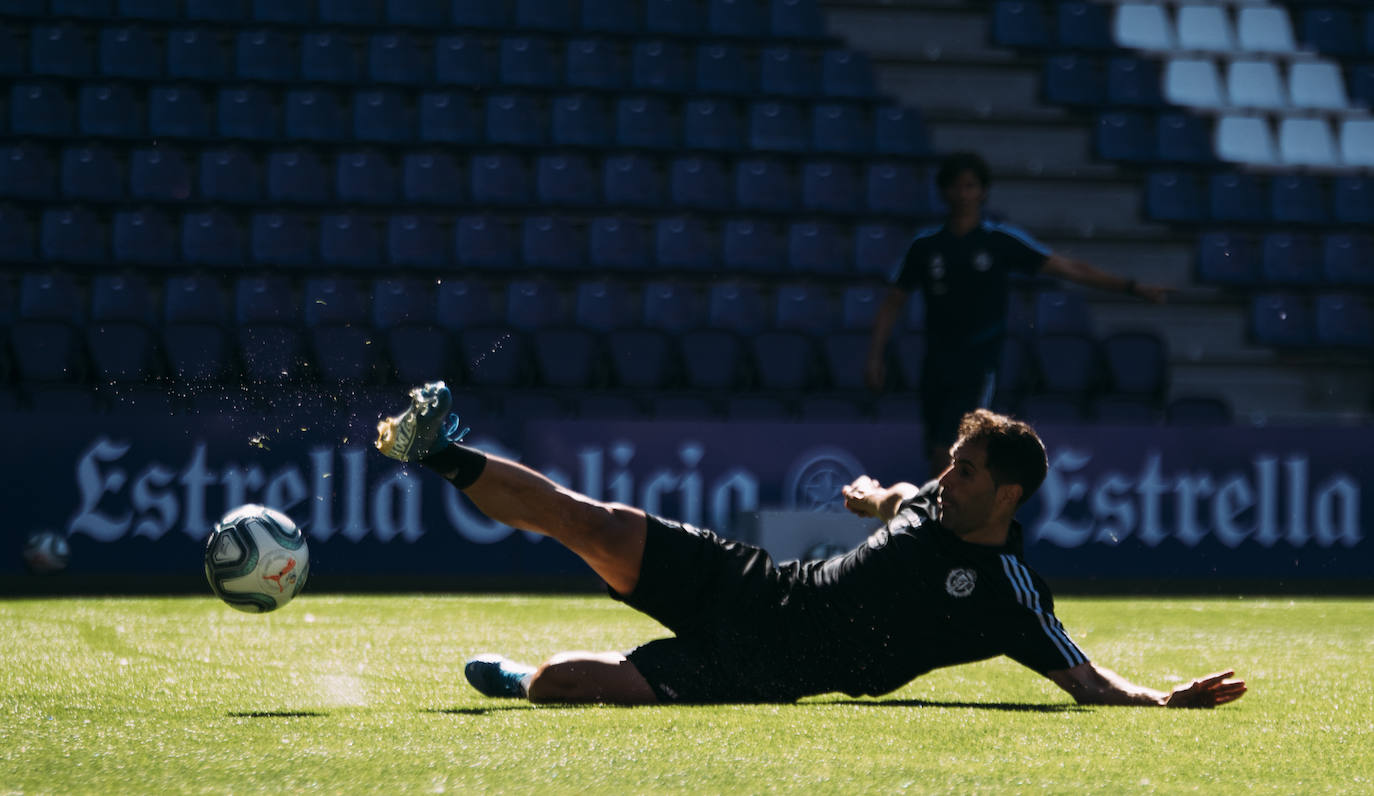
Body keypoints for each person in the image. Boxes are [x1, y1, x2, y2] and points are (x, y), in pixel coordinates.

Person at [375, 381, 1247, 709]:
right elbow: (897, 495)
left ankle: (523, 677)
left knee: (567, 688)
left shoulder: (1009, 592)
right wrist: (873, 495)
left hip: (771, 671)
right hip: (753, 583)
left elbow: (1086, 679)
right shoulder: (931, 502)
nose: (947, 478)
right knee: (592, 523)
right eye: (950, 461)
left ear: (1007, 496)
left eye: (967, 471)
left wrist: (1167, 702)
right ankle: (441, 448)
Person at [865, 151, 1174, 474]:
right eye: (956, 186)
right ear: (943, 191)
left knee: (950, 450)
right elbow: (893, 302)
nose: (963, 194)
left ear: (983, 192)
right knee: (937, 453)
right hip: (936, 362)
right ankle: (960, 521)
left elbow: (1068, 268)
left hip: (978, 363)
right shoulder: (926, 246)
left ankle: (952, 523)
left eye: (970, 186)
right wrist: (874, 356)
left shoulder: (999, 241)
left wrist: (1131, 286)